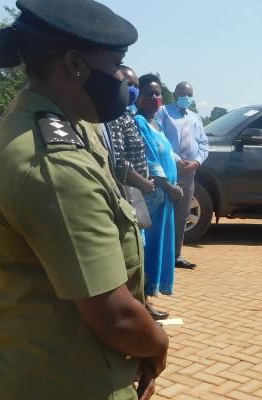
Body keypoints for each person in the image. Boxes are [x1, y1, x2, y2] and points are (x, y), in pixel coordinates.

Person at [0, 0, 168, 398]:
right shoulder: (54, 166)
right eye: (115, 64)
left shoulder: (44, 122)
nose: (122, 80)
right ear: (76, 65)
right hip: (68, 383)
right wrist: (157, 345)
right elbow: (116, 317)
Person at [103, 66, 173, 321]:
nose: (131, 90)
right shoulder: (113, 117)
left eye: (134, 85)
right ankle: (136, 306)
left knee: (138, 249)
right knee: (134, 250)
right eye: (128, 85)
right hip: (128, 192)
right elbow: (119, 162)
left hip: (136, 192)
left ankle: (142, 302)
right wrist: (143, 182)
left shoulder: (125, 116)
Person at [134, 73, 183, 314]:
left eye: (158, 94)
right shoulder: (139, 123)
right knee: (146, 247)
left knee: (159, 246)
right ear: (139, 98)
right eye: (149, 94)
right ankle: (142, 299)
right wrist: (170, 186)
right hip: (153, 197)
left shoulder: (157, 124)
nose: (155, 98)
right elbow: (151, 159)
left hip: (166, 200)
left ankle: (147, 296)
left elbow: (167, 154)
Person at [157, 81, 209, 269]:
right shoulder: (163, 112)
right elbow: (160, 139)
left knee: (182, 215)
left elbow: (203, 143)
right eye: (183, 94)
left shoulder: (195, 117)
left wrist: (197, 162)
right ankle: (160, 254)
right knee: (163, 212)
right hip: (169, 169)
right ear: (175, 93)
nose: (186, 98)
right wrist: (177, 159)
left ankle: (176, 255)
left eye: (189, 95)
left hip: (189, 172)